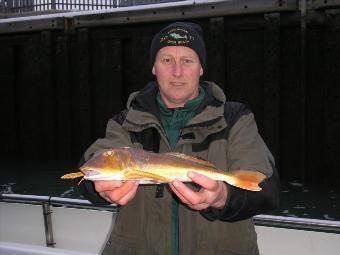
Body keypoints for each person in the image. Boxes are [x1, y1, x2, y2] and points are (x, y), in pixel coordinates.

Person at [79, 21, 280, 255]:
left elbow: (267, 190)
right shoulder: (125, 122)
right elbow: (95, 158)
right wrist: (99, 188)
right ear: (154, 67)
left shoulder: (235, 118)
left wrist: (222, 197)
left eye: (187, 60)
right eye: (167, 60)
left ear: (201, 68)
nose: (177, 72)